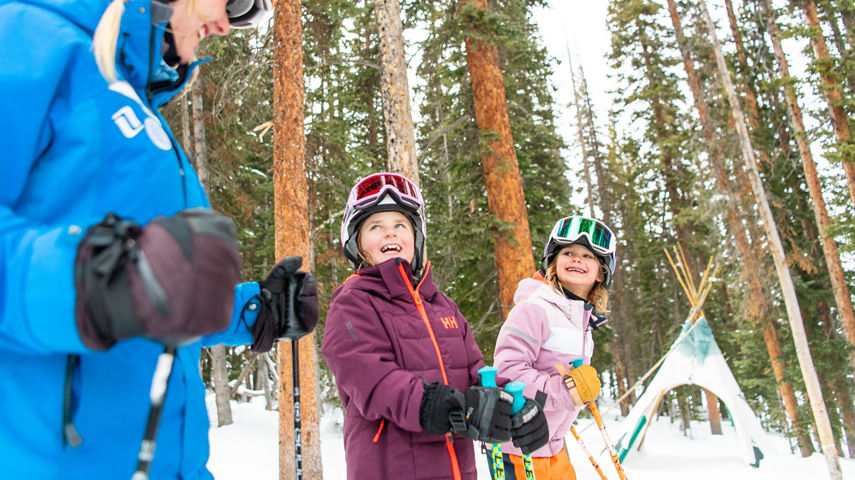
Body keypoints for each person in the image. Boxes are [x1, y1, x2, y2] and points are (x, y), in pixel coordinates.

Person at [0, 0, 318, 478]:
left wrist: (251, 312)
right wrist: (94, 280)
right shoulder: (28, 37)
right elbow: (107, 284)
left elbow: (147, 294)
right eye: (229, 1)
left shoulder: (140, 109)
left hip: (172, 460)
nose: (228, 23)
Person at [321, 172, 550, 480]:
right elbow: (370, 378)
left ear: (415, 236)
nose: (390, 233)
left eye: (400, 225)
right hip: (389, 468)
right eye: (376, 226)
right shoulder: (353, 302)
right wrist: (431, 403)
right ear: (357, 243)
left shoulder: (442, 306)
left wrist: (513, 407)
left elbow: (478, 379)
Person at [492, 215, 617, 480]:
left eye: (588, 256)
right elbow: (507, 373)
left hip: (553, 447)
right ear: (553, 262)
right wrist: (564, 391)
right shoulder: (534, 309)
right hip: (519, 448)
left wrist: (580, 390)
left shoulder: (583, 323)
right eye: (568, 253)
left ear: (601, 273)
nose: (576, 260)